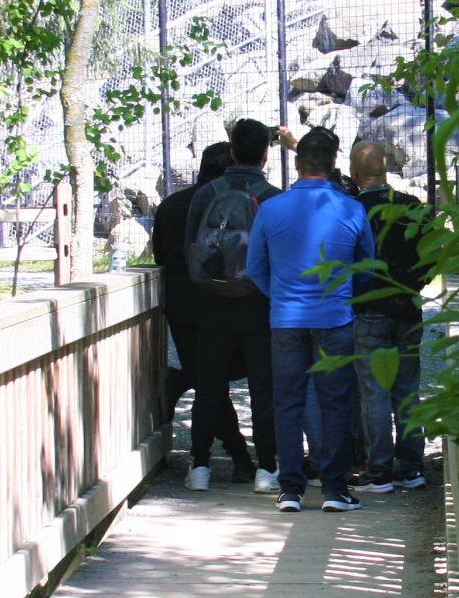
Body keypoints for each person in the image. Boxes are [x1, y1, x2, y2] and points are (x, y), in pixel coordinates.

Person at [247, 127, 376, 513]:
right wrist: (342, 295)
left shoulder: (270, 208)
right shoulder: (352, 209)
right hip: (335, 317)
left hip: (285, 318)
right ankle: (335, 488)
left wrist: (283, 296)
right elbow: (366, 268)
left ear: (297, 163)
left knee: (287, 402)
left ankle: (290, 489)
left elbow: (255, 268)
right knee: (335, 402)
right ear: (335, 161)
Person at [181, 119, 281, 494]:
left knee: (209, 387)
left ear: (232, 150)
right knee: (263, 389)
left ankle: (200, 466)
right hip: (258, 304)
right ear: (266, 153)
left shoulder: (207, 194)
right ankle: (266, 468)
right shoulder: (272, 197)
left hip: (211, 304)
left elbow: (190, 247)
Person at [151, 142, 256, 482]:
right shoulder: (232, 207)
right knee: (218, 379)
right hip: (224, 306)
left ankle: (214, 456)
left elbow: (161, 259)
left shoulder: (170, 206)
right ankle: (239, 455)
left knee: (207, 379)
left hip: (181, 308)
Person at [349, 141, 432, 492]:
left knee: (374, 393)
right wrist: (414, 285)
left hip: (369, 312)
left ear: (354, 174)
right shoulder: (412, 207)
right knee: (407, 390)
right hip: (408, 309)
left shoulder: (351, 210)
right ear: (387, 169)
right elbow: (431, 256)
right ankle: (412, 467)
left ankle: (379, 470)